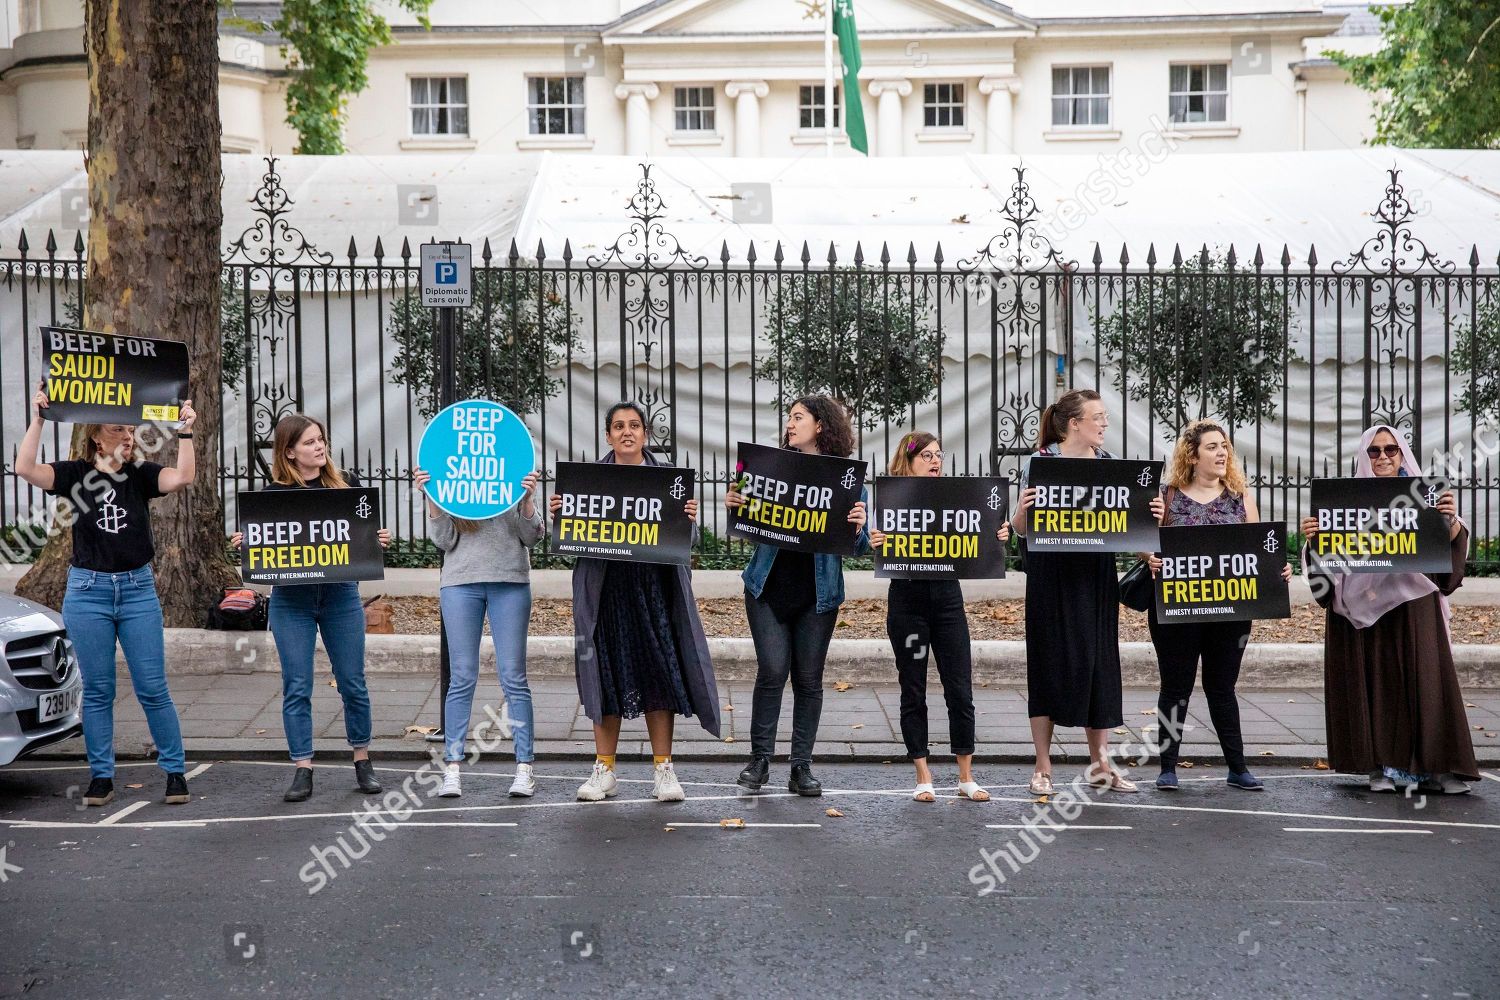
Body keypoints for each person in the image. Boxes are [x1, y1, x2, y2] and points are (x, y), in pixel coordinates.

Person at [16, 382, 197, 807]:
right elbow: (25, 468)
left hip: (137, 590)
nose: (128, 437)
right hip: (88, 592)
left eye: (131, 431)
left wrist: (185, 431)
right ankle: (101, 777)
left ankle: (174, 772)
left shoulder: (141, 475)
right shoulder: (76, 475)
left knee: (153, 687)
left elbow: (184, 477)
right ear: (97, 435)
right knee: (97, 691)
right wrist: (39, 418)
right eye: (118, 430)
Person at [551, 401, 719, 803]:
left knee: (657, 674)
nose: (627, 432)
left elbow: (688, 544)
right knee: (604, 676)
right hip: (604, 592)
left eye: (635, 426)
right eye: (619, 426)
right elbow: (565, 543)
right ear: (608, 435)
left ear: (645, 434)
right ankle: (604, 770)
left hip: (653, 591)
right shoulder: (588, 480)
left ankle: (663, 769)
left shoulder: (668, 481)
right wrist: (562, 513)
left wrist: (689, 521)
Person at [1302, 425, 1478, 795]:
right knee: (1374, 684)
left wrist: (1449, 524)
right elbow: (1324, 571)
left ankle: (1435, 769)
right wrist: (1314, 540)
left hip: (1414, 602)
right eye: (1374, 452)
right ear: (1364, 456)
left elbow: (1447, 564)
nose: (1383, 457)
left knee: (1424, 682)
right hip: (1360, 607)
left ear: (1402, 453)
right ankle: (1379, 768)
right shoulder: (1344, 500)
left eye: (1391, 450)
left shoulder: (1424, 496)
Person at [231, 414, 391, 802]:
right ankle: (303, 767)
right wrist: (245, 544)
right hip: (292, 600)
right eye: (309, 442)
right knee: (297, 685)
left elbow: (361, 539)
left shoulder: (346, 485)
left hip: (340, 596)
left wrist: (378, 539)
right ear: (288, 452)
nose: (319, 447)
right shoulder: (270, 497)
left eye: (320, 439)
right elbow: (266, 547)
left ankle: (362, 758)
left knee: (352, 680)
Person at [729, 394, 869, 797]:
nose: (790, 425)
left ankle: (800, 767)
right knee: (772, 672)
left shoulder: (844, 477)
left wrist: (858, 526)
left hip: (818, 595)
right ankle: (759, 761)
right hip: (766, 587)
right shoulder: (768, 467)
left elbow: (858, 548)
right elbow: (743, 522)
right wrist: (734, 503)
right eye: (789, 419)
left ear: (820, 425)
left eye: (798, 418)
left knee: (809, 680)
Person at [1143, 420, 1291, 792]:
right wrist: (1150, 556)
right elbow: (1141, 537)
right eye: (1212, 447)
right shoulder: (1168, 496)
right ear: (1192, 456)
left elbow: (1260, 550)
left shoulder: (1240, 497)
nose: (1222, 452)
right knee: (1175, 686)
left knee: (1222, 686)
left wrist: (1279, 569)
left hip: (1230, 613)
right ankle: (1168, 768)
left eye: (1224, 446)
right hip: (1176, 610)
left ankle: (1237, 767)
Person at [868, 431, 1009, 802]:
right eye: (927, 455)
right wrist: (875, 540)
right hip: (908, 605)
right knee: (913, 688)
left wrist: (999, 534)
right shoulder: (892, 498)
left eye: (938, 455)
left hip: (947, 603)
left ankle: (966, 777)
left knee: (960, 689)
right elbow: (870, 540)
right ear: (908, 460)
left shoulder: (955, 499)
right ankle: (923, 775)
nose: (935, 461)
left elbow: (979, 534)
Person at [1011, 388, 1135, 795]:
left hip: (1095, 572)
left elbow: (1129, 527)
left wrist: (1149, 514)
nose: (1104, 424)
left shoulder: (1110, 465)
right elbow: (1020, 529)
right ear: (1074, 424)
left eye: (1105, 417)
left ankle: (1101, 764)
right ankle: (1042, 766)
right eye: (1097, 417)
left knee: (1099, 661)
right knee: (1048, 660)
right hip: (1051, 572)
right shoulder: (1040, 462)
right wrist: (1024, 510)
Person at [414, 464, 543, 799]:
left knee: (514, 676)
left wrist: (527, 500)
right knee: (462, 676)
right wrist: (432, 496)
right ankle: (452, 768)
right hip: (460, 583)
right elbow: (443, 540)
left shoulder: (512, 472)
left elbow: (532, 536)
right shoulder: (454, 480)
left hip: (510, 582)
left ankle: (524, 767)